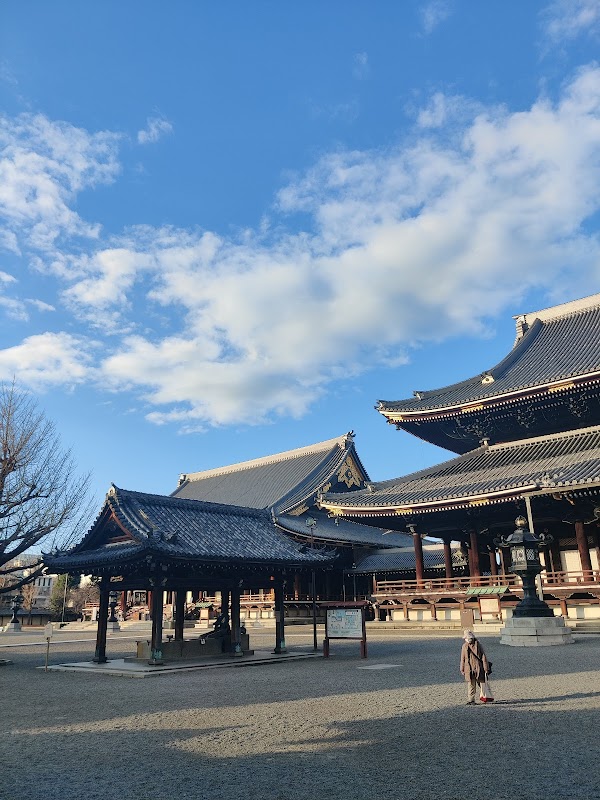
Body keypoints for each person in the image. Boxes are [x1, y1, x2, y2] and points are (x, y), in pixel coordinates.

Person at [460, 629, 492, 705]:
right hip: (470, 668)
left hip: (477, 668)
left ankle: (485, 696)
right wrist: (462, 668)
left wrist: (486, 668)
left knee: (481, 683)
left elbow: (483, 657)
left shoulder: (477, 645)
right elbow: (463, 658)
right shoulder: (465, 646)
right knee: (472, 684)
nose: (468, 640)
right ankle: (471, 699)